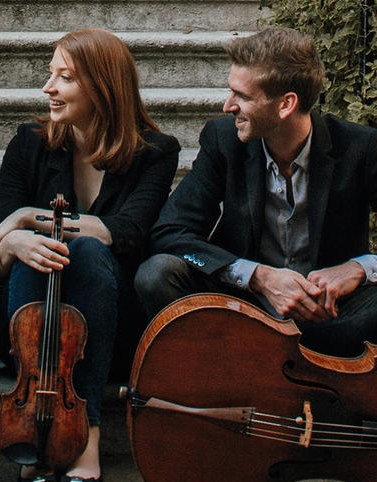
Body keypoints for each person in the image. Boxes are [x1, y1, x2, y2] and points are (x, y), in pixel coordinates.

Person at [0, 28, 180, 482]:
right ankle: (34, 422)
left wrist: (24, 220)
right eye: (50, 74)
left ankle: (84, 431)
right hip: (29, 312)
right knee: (34, 252)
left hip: (106, 315)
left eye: (64, 77)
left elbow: (125, 231)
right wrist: (17, 243)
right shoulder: (29, 143)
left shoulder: (155, 151)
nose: (48, 87)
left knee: (83, 247)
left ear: (102, 87)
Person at [135, 28, 377, 357]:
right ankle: (218, 382)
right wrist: (258, 277)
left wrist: (359, 268)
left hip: (327, 315)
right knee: (156, 273)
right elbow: (169, 232)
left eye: (242, 96)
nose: (227, 105)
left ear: (286, 104)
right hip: (241, 310)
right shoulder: (223, 140)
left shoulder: (359, 148)